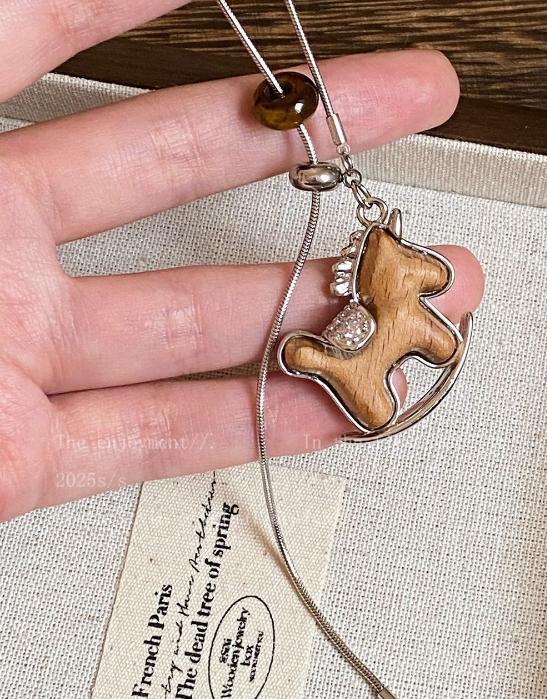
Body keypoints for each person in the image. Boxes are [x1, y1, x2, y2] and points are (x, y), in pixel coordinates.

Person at [0, 2, 484, 521]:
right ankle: (331, 367)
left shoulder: (397, 289)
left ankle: (331, 367)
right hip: (356, 355)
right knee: (374, 381)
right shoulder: (385, 279)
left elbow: (436, 321)